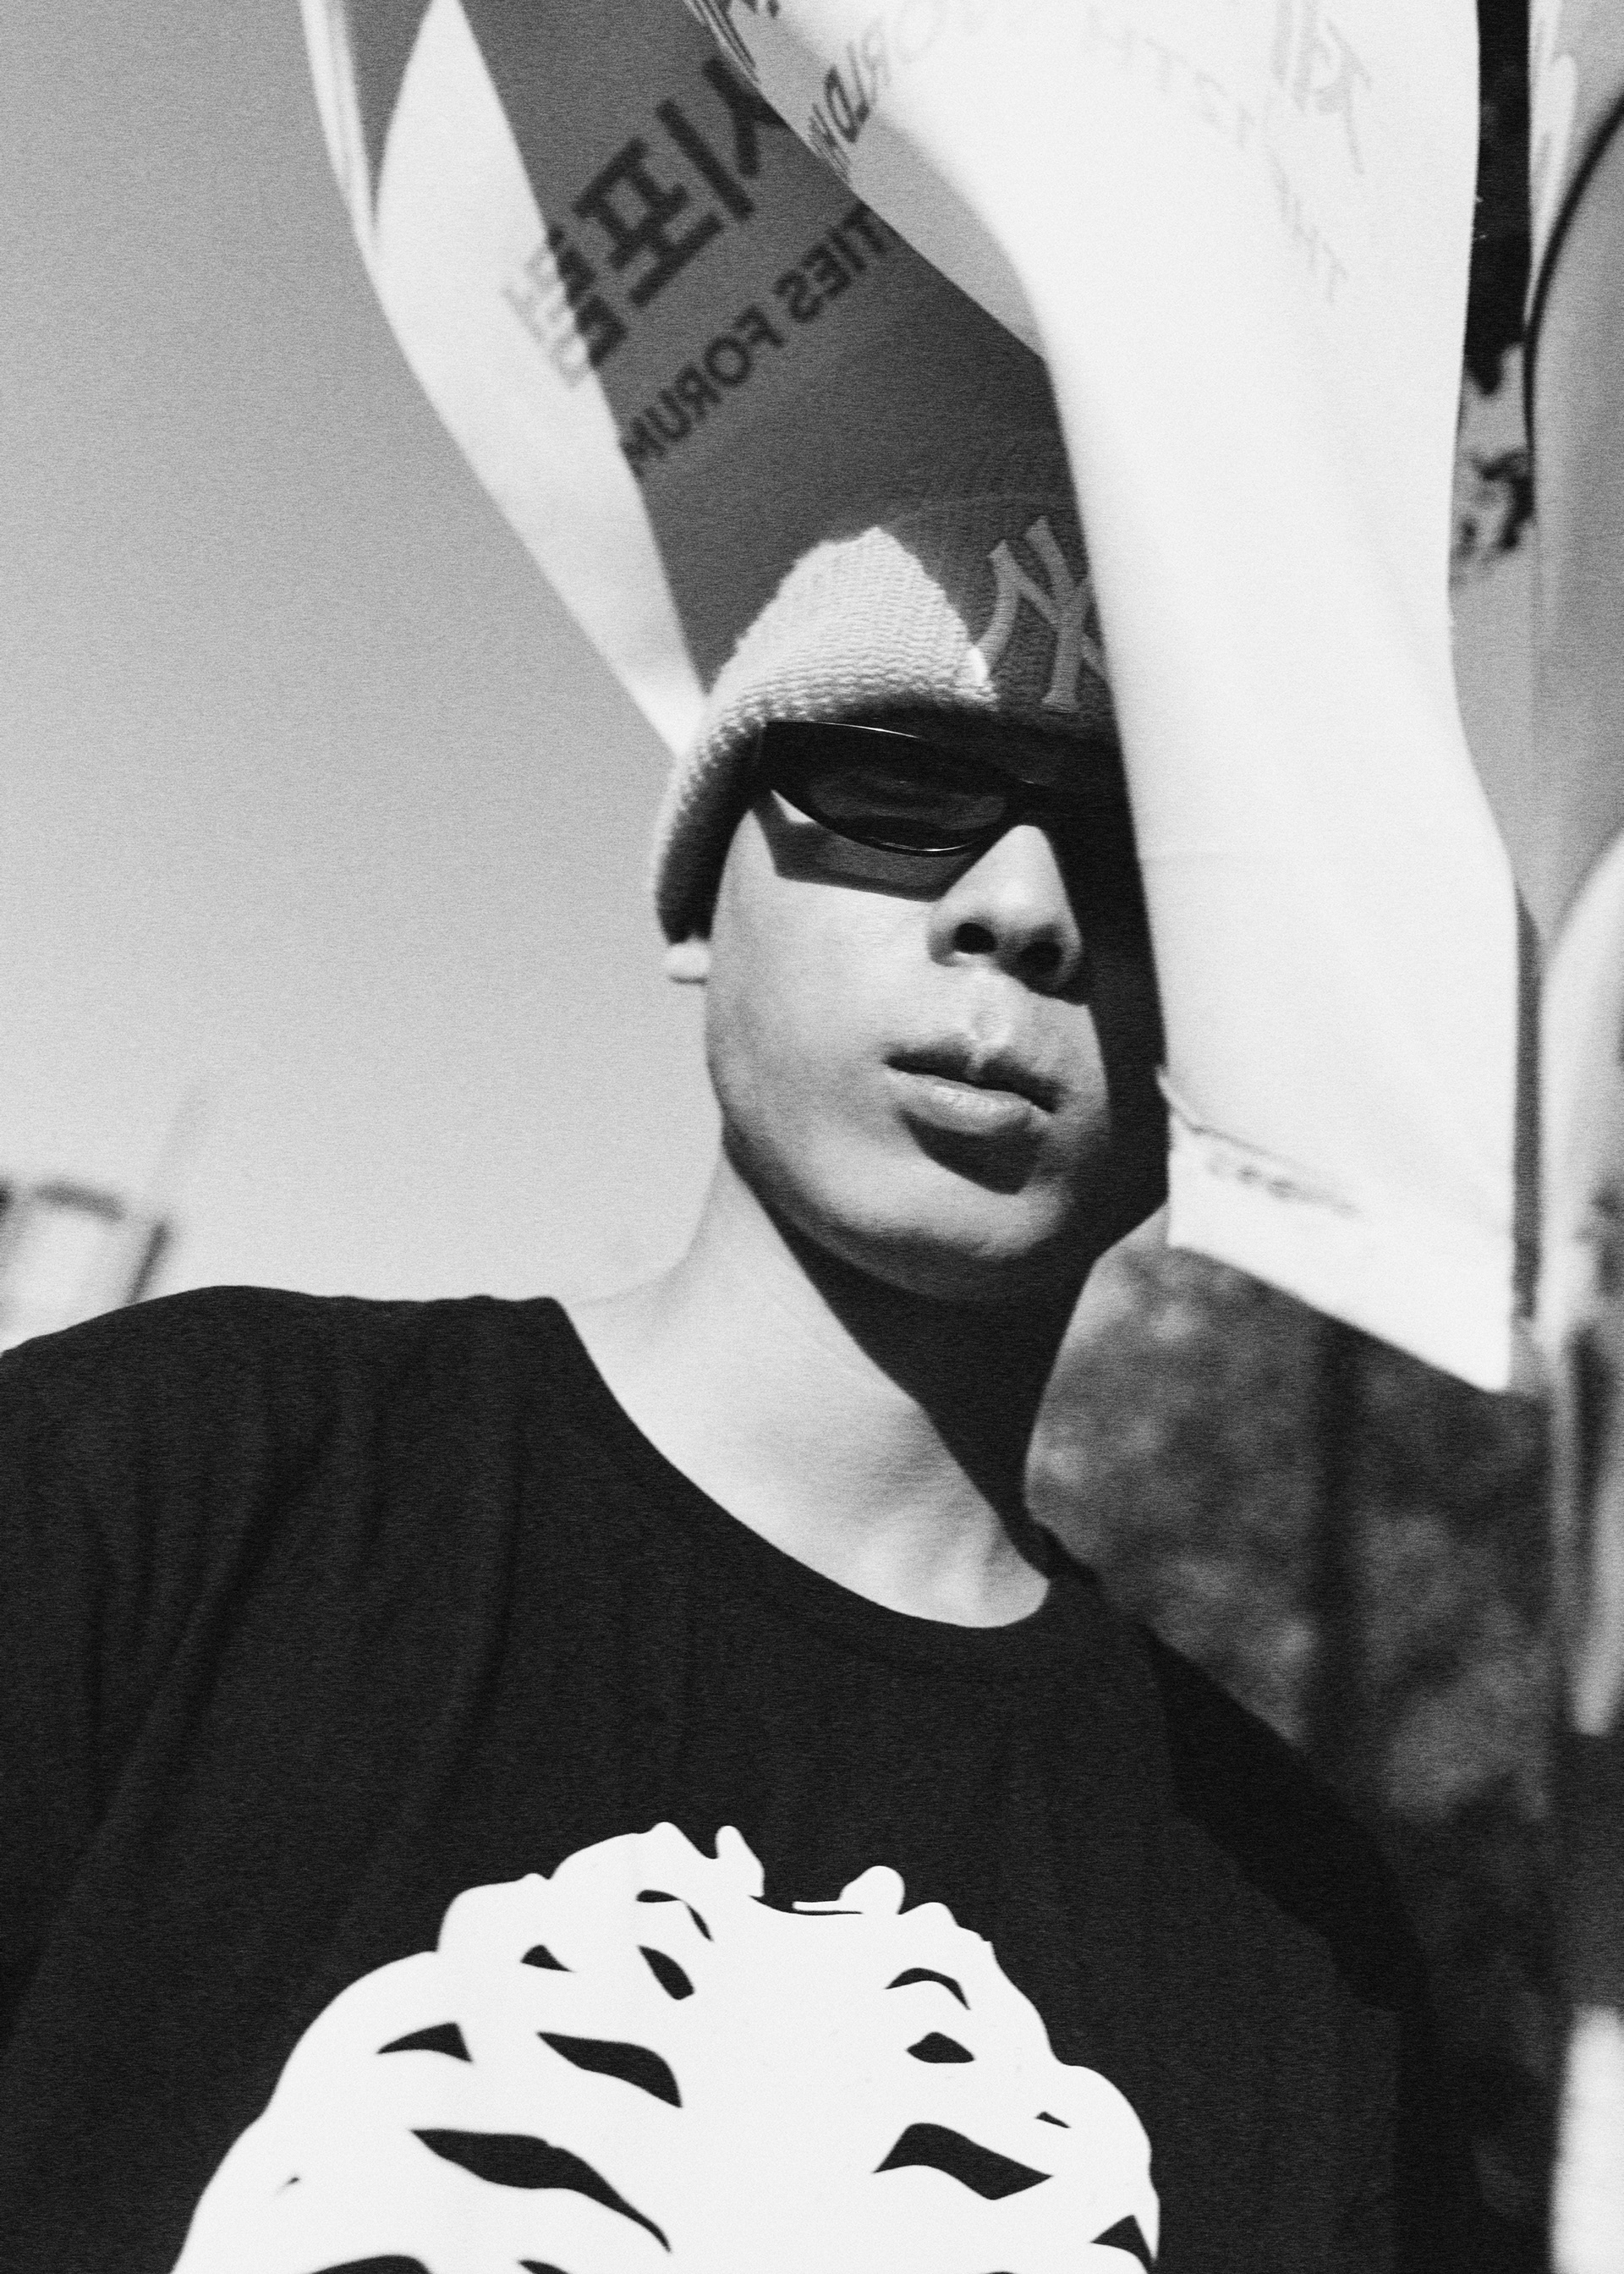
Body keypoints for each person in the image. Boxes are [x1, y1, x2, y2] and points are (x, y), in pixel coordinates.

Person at [0, 439, 1479, 2272]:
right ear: (700, 898)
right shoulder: (157, 1491)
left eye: (1141, 862)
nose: (1021, 907)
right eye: (898, 783)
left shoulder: (1297, 1939)